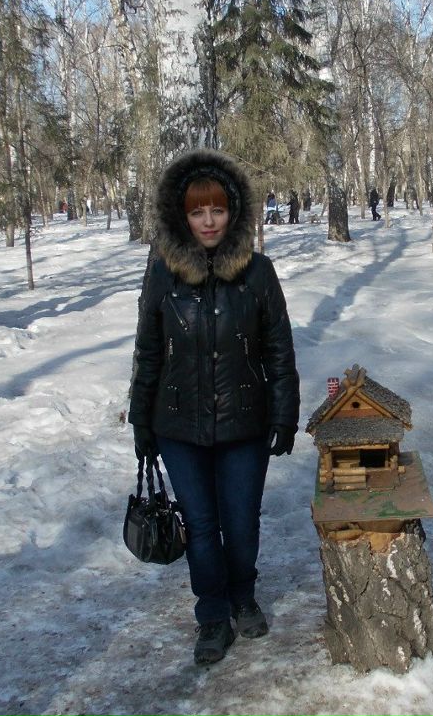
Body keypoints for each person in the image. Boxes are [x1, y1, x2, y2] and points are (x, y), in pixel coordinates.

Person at [128, 149, 300, 666]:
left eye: (218, 210)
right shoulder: (163, 273)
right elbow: (149, 350)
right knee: (201, 526)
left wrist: (284, 413)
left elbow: (278, 349)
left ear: (234, 214)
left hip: (245, 422)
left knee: (242, 522)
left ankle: (243, 597)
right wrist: (141, 419)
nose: (208, 221)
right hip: (178, 425)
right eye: (197, 212)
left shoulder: (258, 273)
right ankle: (211, 616)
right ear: (182, 216)